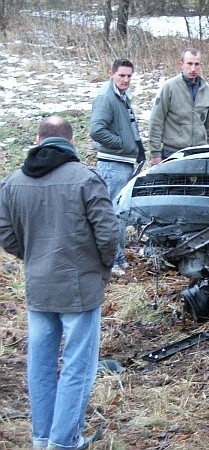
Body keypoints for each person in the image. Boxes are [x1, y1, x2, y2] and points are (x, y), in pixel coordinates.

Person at [0, 116, 119, 449]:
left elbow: (6, 235)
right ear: (72, 142)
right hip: (79, 288)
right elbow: (109, 235)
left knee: (40, 365)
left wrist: (36, 256)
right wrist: (102, 269)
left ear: (38, 139)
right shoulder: (85, 179)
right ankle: (64, 442)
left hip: (38, 285)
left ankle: (42, 438)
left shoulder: (11, 183)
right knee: (77, 368)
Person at [90, 58, 153, 276]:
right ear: (111, 74)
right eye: (121, 75)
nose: (126, 80)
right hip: (112, 164)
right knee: (112, 214)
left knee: (122, 213)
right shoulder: (106, 98)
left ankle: (119, 257)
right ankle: (111, 261)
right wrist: (123, 144)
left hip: (125, 163)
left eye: (129, 76)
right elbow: (96, 130)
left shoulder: (122, 97)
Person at [148, 48, 209, 160]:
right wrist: (155, 154)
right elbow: (156, 121)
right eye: (189, 64)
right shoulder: (169, 88)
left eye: (196, 64)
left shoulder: (207, 91)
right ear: (181, 64)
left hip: (199, 153)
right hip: (172, 153)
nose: (193, 68)